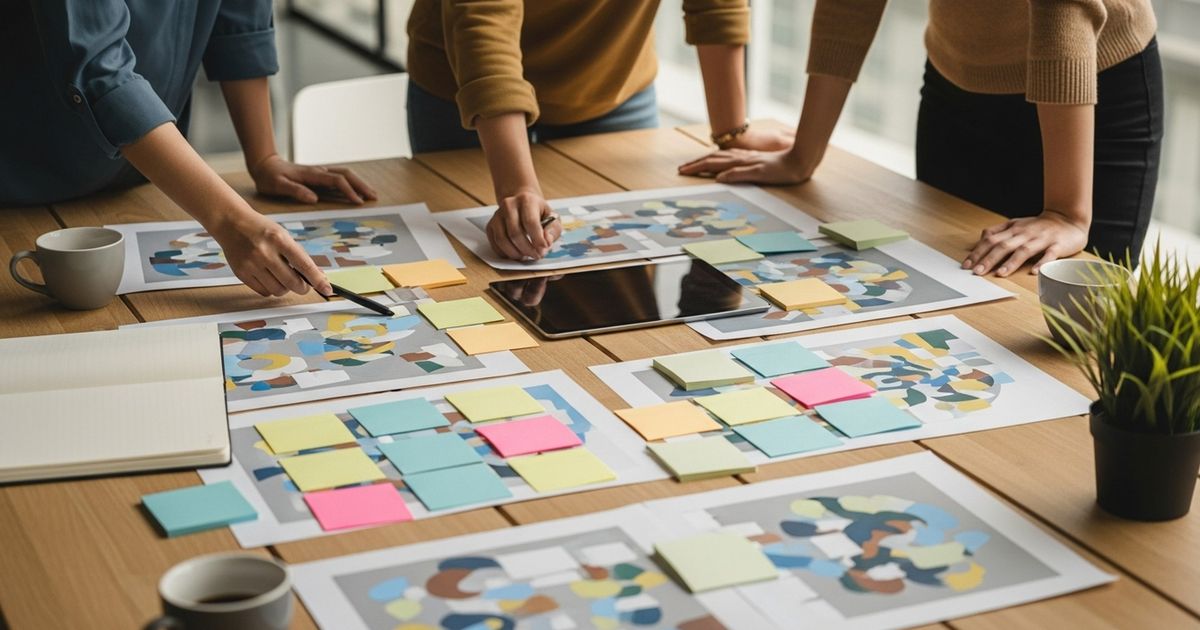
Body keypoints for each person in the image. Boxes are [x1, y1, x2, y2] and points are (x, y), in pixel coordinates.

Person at [680, 0, 1162, 276]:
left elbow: (1063, 8)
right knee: (953, 287)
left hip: (1090, 82)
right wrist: (804, 154)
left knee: (1071, 338)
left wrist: (1067, 213)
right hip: (959, 77)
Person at [2, 0, 377, 297]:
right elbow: (101, 71)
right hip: (20, 183)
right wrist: (231, 221)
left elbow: (239, 19)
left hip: (141, 181)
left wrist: (264, 157)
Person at [405, 0, 793, 261]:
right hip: (469, 88)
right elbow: (482, 23)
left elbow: (715, 5)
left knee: (623, 264)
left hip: (610, 80)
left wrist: (731, 131)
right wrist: (517, 187)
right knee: (475, 263)